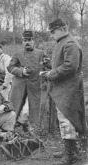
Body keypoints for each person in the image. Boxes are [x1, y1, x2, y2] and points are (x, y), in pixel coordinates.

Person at [42, 18, 87, 165]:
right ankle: (71, 151)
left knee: (68, 119)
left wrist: (50, 74)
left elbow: (69, 67)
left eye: (53, 31)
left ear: (62, 29)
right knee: (64, 120)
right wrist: (50, 67)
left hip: (69, 90)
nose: (51, 35)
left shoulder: (69, 44)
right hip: (63, 89)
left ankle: (71, 155)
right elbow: (62, 64)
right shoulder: (63, 42)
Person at [7, 30, 47, 132]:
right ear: (22, 41)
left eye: (29, 40)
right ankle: (10, 129)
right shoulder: (18, 54)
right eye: (25, 40)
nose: (27, 42)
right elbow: (10, 67)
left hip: (35, 85)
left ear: (33, 41)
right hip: (19, 86)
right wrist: (21, 71)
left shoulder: (41, 53)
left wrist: (47, 73)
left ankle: (26, 126)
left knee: (31, 109)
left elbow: (50, 66)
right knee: (15, 107)